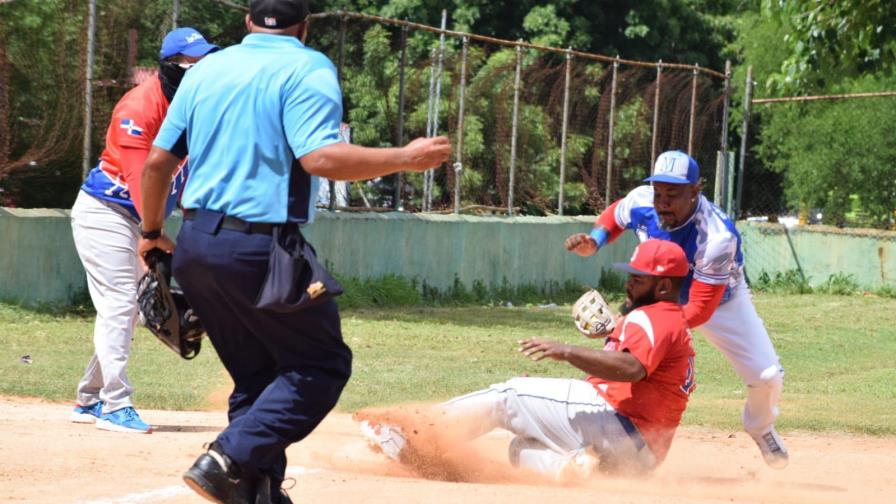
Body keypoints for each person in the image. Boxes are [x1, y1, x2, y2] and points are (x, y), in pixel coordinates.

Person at [137, 1, 452, 502]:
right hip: (260, 248)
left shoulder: (207, 69)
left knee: (257, 374)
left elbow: (157, 164)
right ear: (304, 26)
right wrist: (405, 159)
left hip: (196, 242)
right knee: (321, 365)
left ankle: (257, 492)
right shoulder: (308, 66)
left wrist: (152, 232)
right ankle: (227, 459)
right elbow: (321, 157)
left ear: (246, 22)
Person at [362, 239, 696, 480]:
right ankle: (578, 469)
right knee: (520, 448)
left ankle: (414, 438)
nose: (628, 284)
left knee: (511, 397)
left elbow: (633, 369)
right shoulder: (670, 321)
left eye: (639, 279)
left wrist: (567, 351)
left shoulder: (652, 318)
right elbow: (640, 364)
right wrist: (613, 334)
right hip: (639, 457)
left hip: (617, 426)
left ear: (664, 285)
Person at [564, 150, 789, 469]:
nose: (663, 201)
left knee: (767, 376)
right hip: (656, 291)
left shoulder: (717, 236)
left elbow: (699, 307)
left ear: (695, 192)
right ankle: (595, 434)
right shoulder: (644, 201)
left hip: (721, 300)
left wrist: (637, 324)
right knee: (627, 361)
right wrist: (596, 240)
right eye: (659, 192)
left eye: (673, 193)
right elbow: (615, 215)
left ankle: (760, 425)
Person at [69, 27, 218, 434]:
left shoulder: (196, 106)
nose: (199, 69)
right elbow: (142, 184)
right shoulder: (139, 106)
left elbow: (190, 180)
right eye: (190, 63)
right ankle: (115, 405)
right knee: (120, 304)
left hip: (141, 219)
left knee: (131, 310)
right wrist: (158, 238)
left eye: (204, 61)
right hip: (107, 214)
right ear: (170, 67)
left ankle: (89, 398)